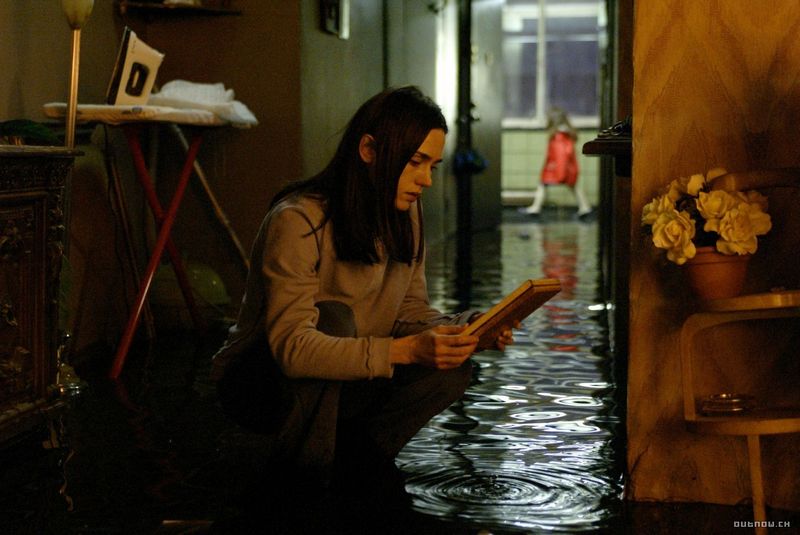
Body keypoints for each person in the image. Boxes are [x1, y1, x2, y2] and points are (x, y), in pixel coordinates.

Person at [210, 86, 516, 501]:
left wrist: (466, 329)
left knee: (451, 366)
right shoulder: (298, 219)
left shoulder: (407, 214)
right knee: (334, 319)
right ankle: (305, 483)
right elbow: (293, 348)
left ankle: (361, 460)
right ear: (369, 150)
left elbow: (409, 311)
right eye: (415, 162)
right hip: (260, 382)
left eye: (432, 165)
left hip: (350, 374)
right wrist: (406, 351)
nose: (426, 180)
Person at [519, 107, 593, 218]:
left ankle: (535, 208)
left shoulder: (559, 137)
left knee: (543, 184)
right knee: (573, 186)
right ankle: (584, 207)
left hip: (558, 169)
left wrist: (560, 174)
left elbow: (561, 157)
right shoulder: (566, 135)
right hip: (568, 168)